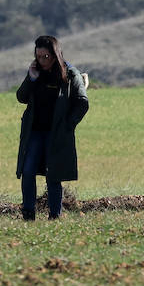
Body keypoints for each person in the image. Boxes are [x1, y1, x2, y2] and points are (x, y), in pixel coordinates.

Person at [15, 35, 89, 221]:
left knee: (53, 174)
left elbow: (82, 103)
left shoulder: (70, 74)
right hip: (35, 132)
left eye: (45, 57)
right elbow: (21, 97)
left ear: (55, 55)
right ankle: (28, 213)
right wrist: (30, 79)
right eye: (38, 56)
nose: (42, 60)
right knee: (28, 170)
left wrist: (68, 126)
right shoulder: (35, 72)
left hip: (56, 134)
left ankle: (55, 215)